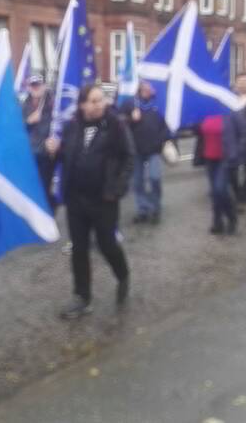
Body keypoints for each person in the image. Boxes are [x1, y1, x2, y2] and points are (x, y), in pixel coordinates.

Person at [45, 84, 134, 320]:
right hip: (76, 199)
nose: (98, 105)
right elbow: (67, 156)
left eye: (100, 100)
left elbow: (128, 158)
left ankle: (122, 273)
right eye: (92, 101)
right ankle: (82, 297)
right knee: (79, 249)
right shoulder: (72, 126)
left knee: (107, 245)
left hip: (104, 199)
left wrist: (116, 189)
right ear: (82, 104)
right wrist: (55, 150)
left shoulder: (115, 125)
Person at [120, 81, 170, 224]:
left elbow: (166, 125)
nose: (149, 88)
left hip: (154, 150)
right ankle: (143, 209)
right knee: (137, 182)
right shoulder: (130, 103)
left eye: (151, 86)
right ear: (140, 87)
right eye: (146, 86)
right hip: (136, 150)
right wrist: (131, 118)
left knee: (154, 178)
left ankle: (155, 207)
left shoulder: (159, 104)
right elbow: (118, 120)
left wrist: (163, 139)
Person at [196, 112, 240, 236]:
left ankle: (231, 217)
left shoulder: (229, 114)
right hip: (209, 158)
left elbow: (242, 132)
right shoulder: (205, 114)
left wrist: (237, 152)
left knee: (220, 189)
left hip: (224, 158)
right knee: (215, 192)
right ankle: (217, 221)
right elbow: (198, 131)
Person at [22, 75, 56, 210]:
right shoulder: (24, 105)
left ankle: (48, 211)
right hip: (30, 153)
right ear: (28, 87)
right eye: (33, 85)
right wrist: (29, 121)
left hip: (46, 152)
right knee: (31, 184)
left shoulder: (53, 103)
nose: (36, 88)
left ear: (44, 86)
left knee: (45, 184)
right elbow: (18, 129)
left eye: (38, 85)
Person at [229, 74, 246, 205]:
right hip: (233, 141)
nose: (242, 84)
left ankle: (243, 199)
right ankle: (237, 193)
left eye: (245, 81)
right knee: (232, 171)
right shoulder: (230, 99)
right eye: (239, 81)